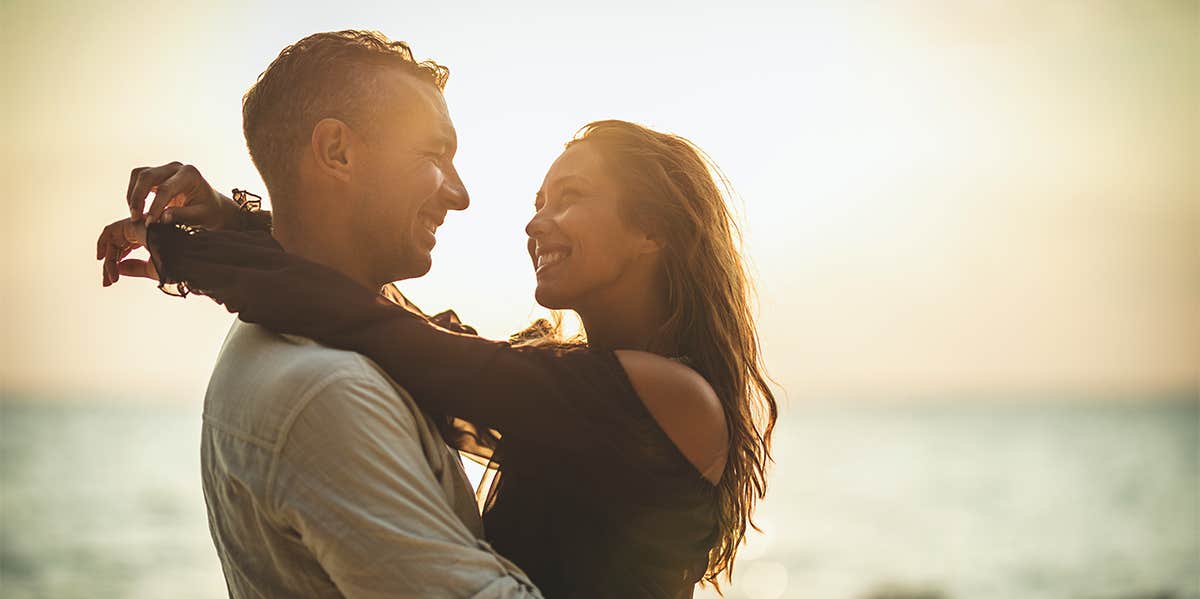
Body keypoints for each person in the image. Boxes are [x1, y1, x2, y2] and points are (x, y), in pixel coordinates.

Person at [100, 42, 777, 599]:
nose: (534, 220)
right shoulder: (556, 370)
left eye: (567, 199)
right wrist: (230, 222)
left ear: (651, 233)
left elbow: (382, 330)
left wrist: (196, 250)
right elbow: (389, 325)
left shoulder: (679, 400)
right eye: (538, 199)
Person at [97, 30, 541, 599]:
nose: (460, 195)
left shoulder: (319, 328)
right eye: (434, 155)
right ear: (337, 152)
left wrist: (234, 225)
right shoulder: (329, 391)